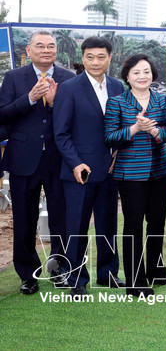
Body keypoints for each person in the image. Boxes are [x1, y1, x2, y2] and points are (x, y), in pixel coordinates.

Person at [0, 31, 74, 295]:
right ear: (28, 51)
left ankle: (59, 269)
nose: (46, 50)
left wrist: (54, 103)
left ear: (56, 50)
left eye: (50, 46)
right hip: (23, 158)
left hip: (59, 158)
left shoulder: (69, 78)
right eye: (40, 46)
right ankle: (28, 274)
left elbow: (74, 117)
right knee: (23, 218)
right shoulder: (13, 77)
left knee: (61, 218)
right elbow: (3, 114)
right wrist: (30, 98)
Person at [53, 36, 124, 296]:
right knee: (77, 227)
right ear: (82, 58)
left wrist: (118, 152)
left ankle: (107, 273)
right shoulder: (69, 88)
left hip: (110, 170)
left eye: (101, 57)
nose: (95, 62)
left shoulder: (117, 86)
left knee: (108, 225)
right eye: (90, 57)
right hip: (79, 172)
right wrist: (75, 163)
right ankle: (76, 279)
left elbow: (121, 125)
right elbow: (61, 133)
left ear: (110, 58)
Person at [103, 54, 166, 297]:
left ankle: (156, 270)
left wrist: (154, 131)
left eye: (146, 71)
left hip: (159, 170)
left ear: (153, 74)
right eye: (136, 72)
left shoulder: (163, 100)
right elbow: (109, 137)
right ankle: (135, 280)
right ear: (127, 76)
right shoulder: (117, 102)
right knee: (133, 225)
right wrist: (135, 128)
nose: (142, 76)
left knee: (157, 222)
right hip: (130, 173)